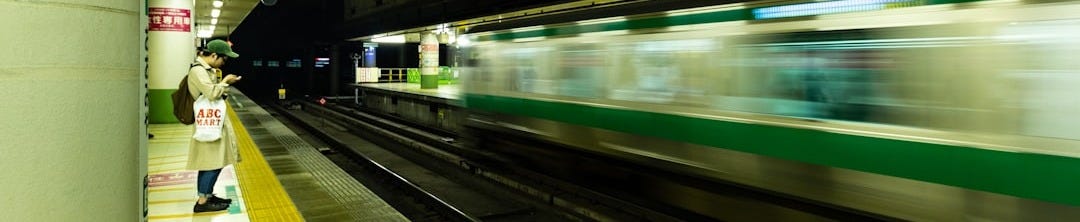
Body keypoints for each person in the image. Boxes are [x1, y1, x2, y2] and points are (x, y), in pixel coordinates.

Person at [186, 39, 242, 212]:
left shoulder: (205, 70)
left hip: (211, 121)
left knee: (211, 161)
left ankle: (207, 195)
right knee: (212, 162)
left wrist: (222, 86)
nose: (224, 63)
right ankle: (202, 201)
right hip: (207, 124)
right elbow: (211, 93)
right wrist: (226, 81)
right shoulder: (198, 71)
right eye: (224, 59)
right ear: (214, 55)